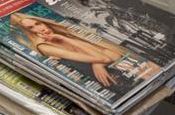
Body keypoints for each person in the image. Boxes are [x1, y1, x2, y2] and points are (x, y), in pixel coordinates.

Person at [9, 13, 160, 87]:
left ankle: (154, 78)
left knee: (111, 52)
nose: (40, 27)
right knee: (110, 54)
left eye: (37, 23)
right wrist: (65, 40)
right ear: (27, 33)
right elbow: (105, 58)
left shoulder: (60, 33)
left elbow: (102, 52)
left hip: (111, 64)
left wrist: (97, 62)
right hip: (102, 79)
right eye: (31, 28)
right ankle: (152, 79)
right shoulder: (44, 46)